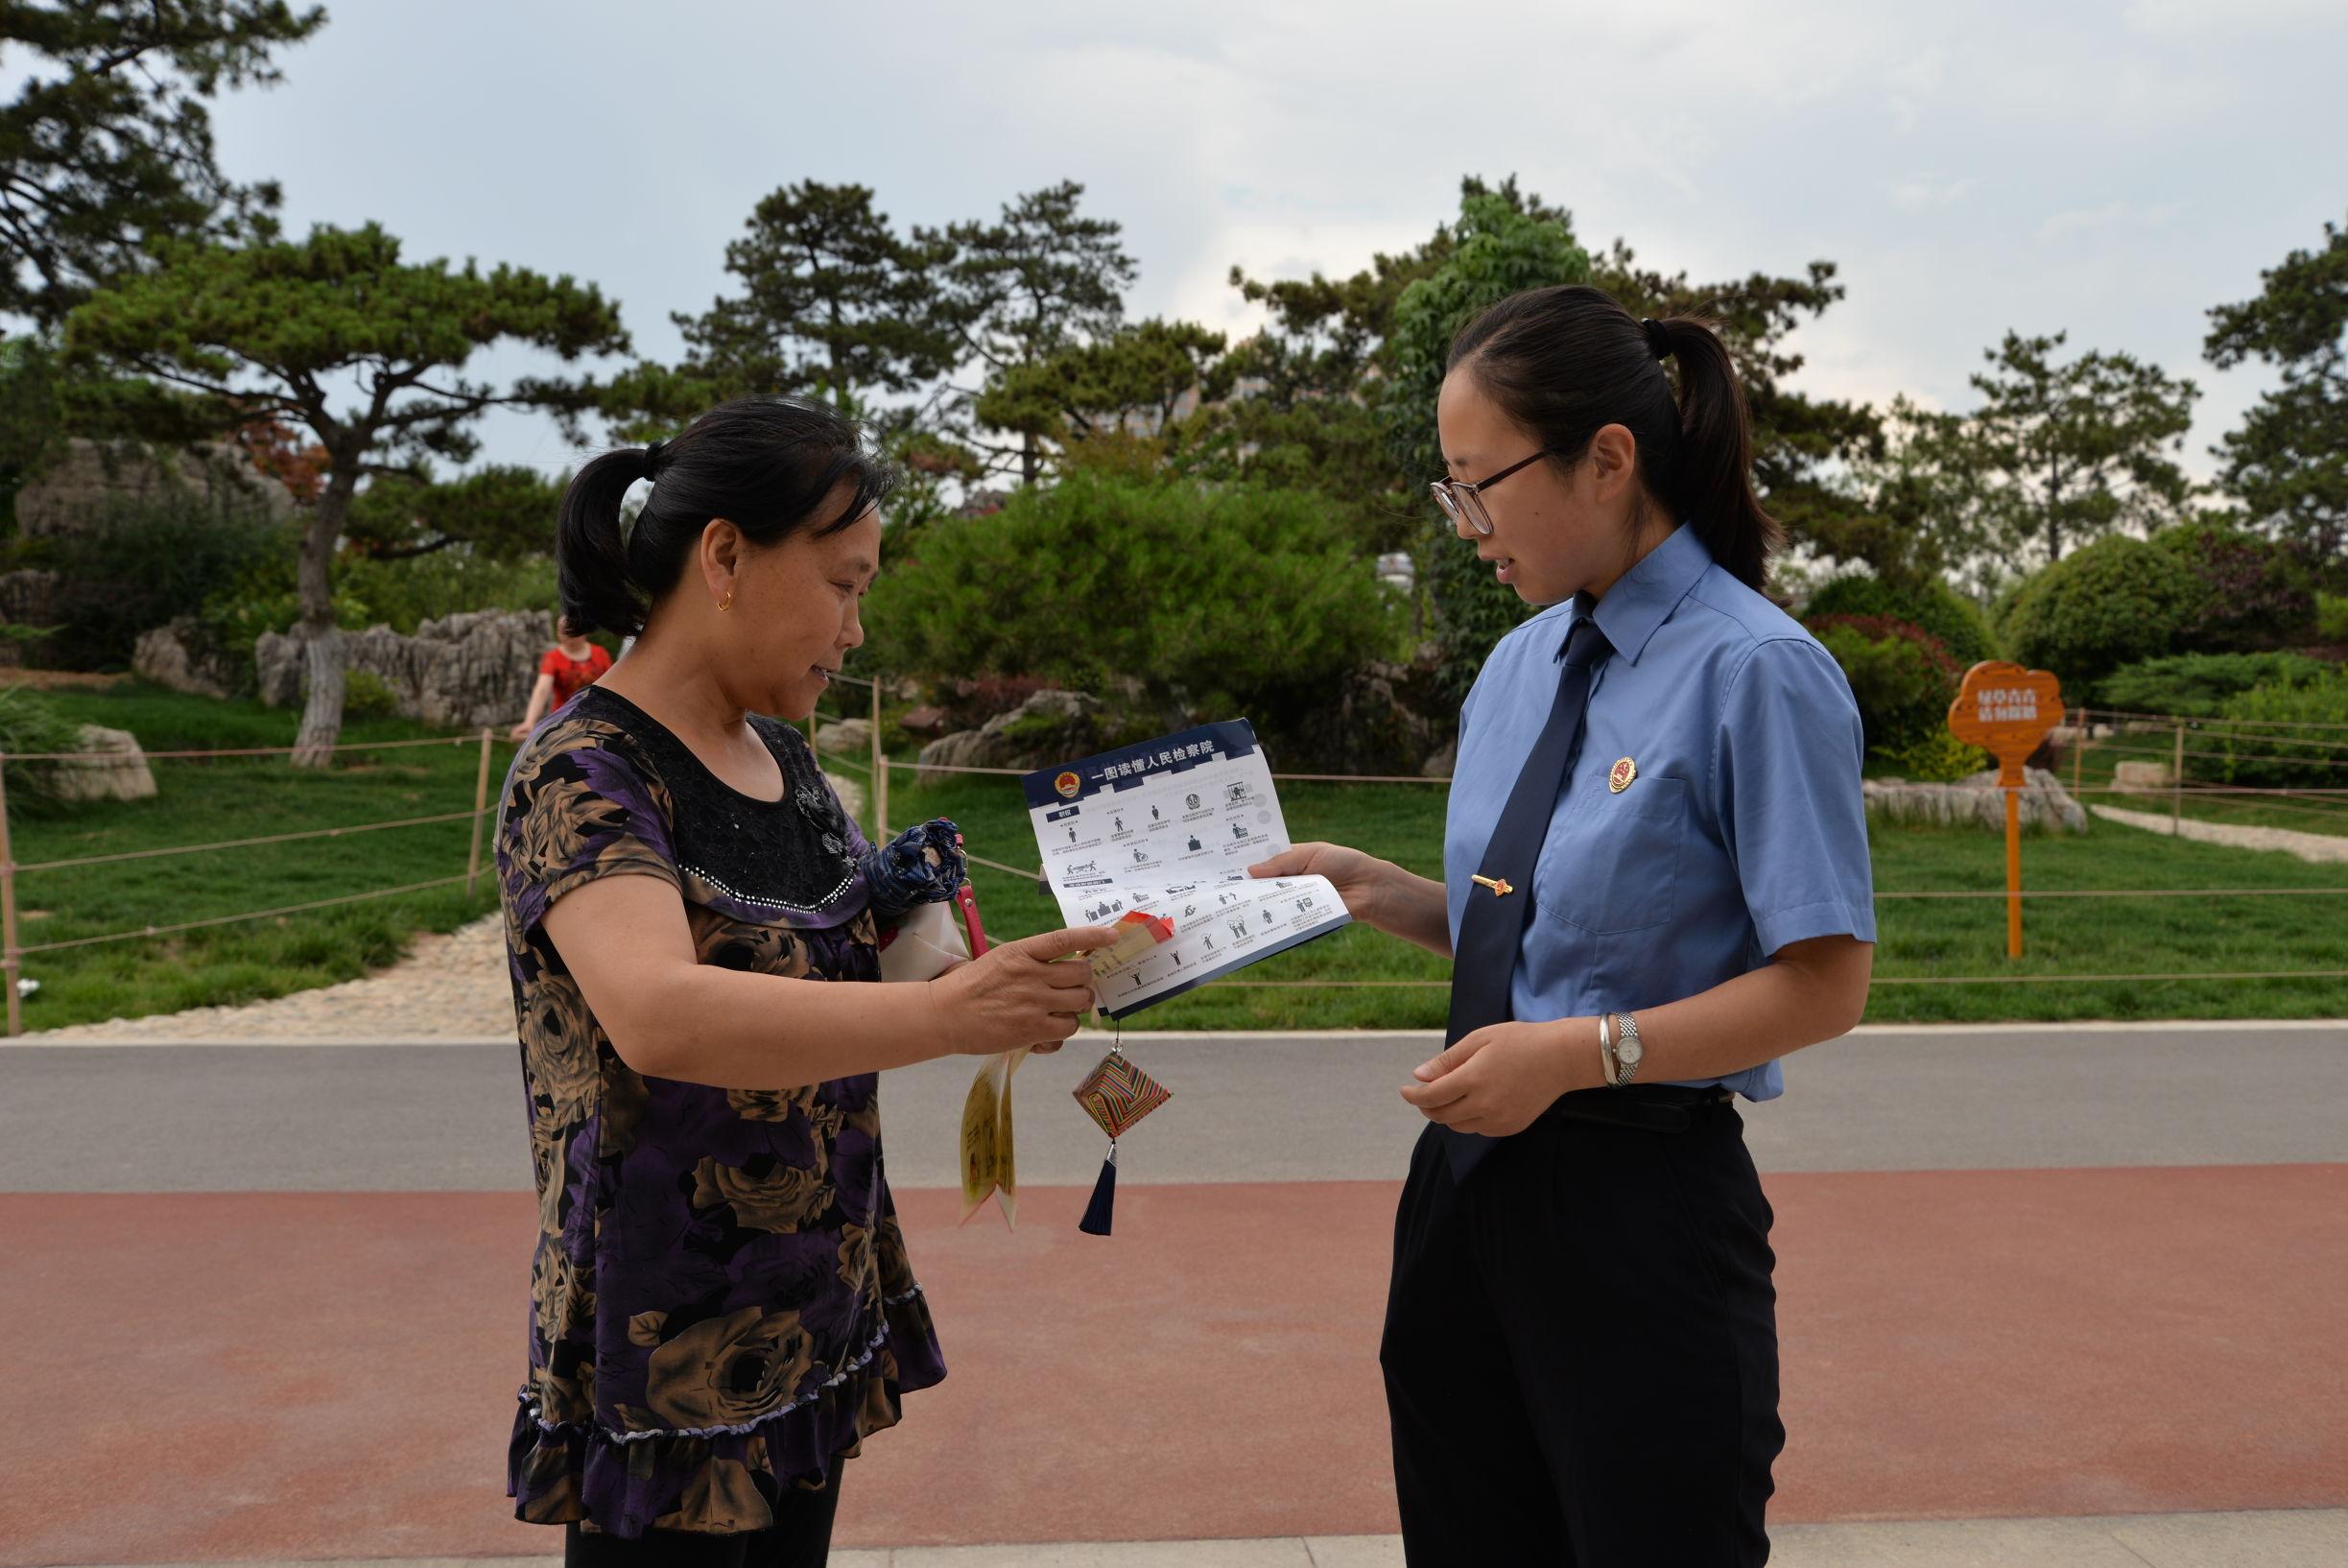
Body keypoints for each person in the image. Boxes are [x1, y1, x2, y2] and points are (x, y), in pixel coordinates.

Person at [1252, 285, 1875, 1566]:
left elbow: (1822, 982)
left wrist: (1578, 1051)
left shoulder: (1753, 670)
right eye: (1448, 489)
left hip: (1637, 1199)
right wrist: (1370, 889)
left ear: (1607, 458)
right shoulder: (1516, 666)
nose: (1466, 524)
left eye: (1484, 483)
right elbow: (1539, 933)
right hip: (1464, 1184)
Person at [496, 395, 1110, 1565]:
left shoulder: (781, 755)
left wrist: (999, 983)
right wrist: (937, 1014)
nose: (858, 628)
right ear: (724, 556)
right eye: (842, 583)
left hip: (808, 1306)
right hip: (663, 1341)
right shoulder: (585, 770)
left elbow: (845, 972)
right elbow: (657, 1013)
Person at [510, 617, 614, 739]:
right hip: (565, 721)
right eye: (563, 631)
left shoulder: (600, 654)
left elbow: (614, 685)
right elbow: (542, 690)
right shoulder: (553, 657)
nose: (568, 635)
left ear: (585, 631)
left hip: (601, 718)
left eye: (572, 631)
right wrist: (529, 722)